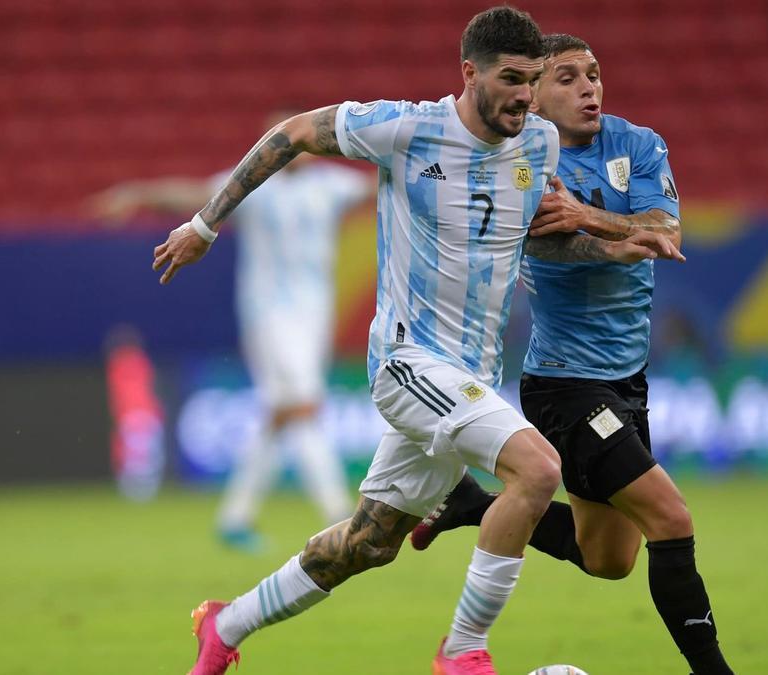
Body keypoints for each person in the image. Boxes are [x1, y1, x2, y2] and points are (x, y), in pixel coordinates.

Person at [151, 9, 680, 674]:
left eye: (533, 80)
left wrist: (621, 240)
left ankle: (225, 624)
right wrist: (204, 223)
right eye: (511, 78)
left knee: (367, 543)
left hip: (469, 378)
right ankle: (462, 651)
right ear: (470, 73)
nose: (524, 94)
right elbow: (291, 135)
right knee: (538, 468)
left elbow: (546, 242)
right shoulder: (406, 128)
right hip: (406, 361)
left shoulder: (539, 144)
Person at [409, 34, 735, 675]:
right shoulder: (520, 157)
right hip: (566, 386)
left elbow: (666, 230)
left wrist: (587, 215)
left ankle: (472, 505)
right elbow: (543, 246)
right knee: (670, 517)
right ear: (534, 96)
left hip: (626, 382)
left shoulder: (638, 142)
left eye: (593, 74)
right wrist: (618, 236)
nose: (589, 88)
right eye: (567, 78)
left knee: (609, 559)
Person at [93, 119, 369, 547]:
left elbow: (384, 188)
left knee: (282, 412)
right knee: (302, 405)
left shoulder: (333, 185)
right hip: (269, 315)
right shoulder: (255, 183)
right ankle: (340, 516)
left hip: (314, 316)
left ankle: (235, 517)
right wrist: (140, 195)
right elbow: (194, 196)